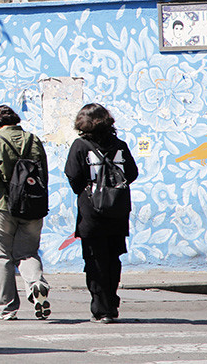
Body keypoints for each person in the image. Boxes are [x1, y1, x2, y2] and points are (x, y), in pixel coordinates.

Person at [64, 103, 139, 323]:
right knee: (113, 259)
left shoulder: (80, 146)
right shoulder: (120, 145)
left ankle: (101, 308)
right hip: (117, 211)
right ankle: (112, 304)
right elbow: (132, 173)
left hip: (91, 213)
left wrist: (91, 191)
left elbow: (74, 177)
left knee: (95, 261)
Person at [0, 105, 51, 321]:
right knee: (28, 252)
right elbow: (43, 173)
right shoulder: (34, 140)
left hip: (3, 205)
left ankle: (7, 308)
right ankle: (37, 284)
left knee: (2, 256)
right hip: (33, 206)